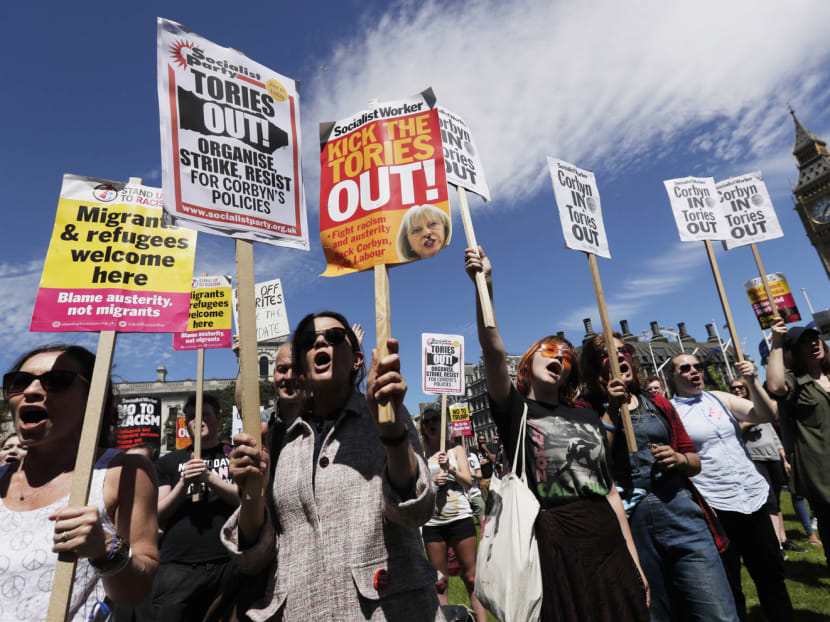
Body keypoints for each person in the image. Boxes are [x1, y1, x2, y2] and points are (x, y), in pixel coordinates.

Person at [465, 246, 648, 622]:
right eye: (549, 351)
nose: (559, 358)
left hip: (607, 540)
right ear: (528, 363)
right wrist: (485, 286)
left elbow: (610, 492)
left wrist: (635, 561)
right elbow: (493, 350)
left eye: (566, 357)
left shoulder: (587, 417)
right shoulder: (516, 411)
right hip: (553, 543)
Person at [224, 311, 440, 620]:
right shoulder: (277, 438)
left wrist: (392, 435)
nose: (322, 341)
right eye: (310, 341)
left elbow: (415, 512)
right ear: (301, 365)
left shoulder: (385, 414)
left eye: (335, 338)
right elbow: (252, 558)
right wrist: (252, 492)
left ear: (356, 359)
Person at [581, 333, 737, 621]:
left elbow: (694, 460)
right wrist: (612, 410)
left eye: (623, 350)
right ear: (593, 367)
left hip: (681, 514)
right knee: (654, 612)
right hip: (630, 524)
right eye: (606, 354)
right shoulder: (584, 409)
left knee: (716, 611)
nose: (617, 358)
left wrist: (678, 459)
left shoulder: (658, 403)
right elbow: (591, 464)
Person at [0, 344, 158, 621]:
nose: (32, 391)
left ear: (94, 399)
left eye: (57, 382)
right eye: (19, 382)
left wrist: (105, 550)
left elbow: (137, 591)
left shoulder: (124, 472)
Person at [668, 352, 793, 621]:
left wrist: (751, 380)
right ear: (672, 376)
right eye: (685, 368)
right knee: (729, 584)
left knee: (772, 577)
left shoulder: (718, 397)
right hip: (716, 506)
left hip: (753, 497)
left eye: (698, 367)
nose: (694, 372)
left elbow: (765, 413)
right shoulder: (670, 411)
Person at [149, 393, 239, 622]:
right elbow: (157, 514)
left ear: (218, 418)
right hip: (177, 568)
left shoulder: (233, 456)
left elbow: (244, 500)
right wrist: (184, 484)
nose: (197, 421)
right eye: (190, 417)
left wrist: (209, 477)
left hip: (227, 563)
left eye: (205, 415)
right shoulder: (168, 462)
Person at [766, 320, 830, 567]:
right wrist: (777, 344)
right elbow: (775, 385)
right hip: (822, 471)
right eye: (805, 341)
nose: (813, 343)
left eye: (815, 337)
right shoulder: (796, 381)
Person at [419, 411, 487, 622]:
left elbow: (468, 481)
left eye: (434, 420)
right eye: (426, 420)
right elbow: (414, 489)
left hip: (460, 518)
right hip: (433, 522)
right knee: (439, 582)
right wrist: (430, 483)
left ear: (442, 424)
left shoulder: (456, 449)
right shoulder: (419, 453)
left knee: (471, 577)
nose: (430, 423)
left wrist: (450, 469)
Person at [731, 379, 802, 556]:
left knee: (776, 500)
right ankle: (775, 545)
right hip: (755, 458)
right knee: (768, 500)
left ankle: (783, 539)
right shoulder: (733, 409)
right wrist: (749, 422)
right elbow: (735, 433)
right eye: (733, 388)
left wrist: (782, 456)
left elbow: (771, 431)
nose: (737, 390)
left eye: (740, 387)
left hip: (772, 456)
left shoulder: (758, 404)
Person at [474, 434, 495, 504]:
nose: (482, 442)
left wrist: (486, 450)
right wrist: (487, 461)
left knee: (494, 498)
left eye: (484, 440)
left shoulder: (489, 449)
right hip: (482, 480)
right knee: (486, 500)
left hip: (491, 477)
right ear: (477, 441)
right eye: (480, 440)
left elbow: (493, 460)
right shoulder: (475, 451)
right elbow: (477, 464)